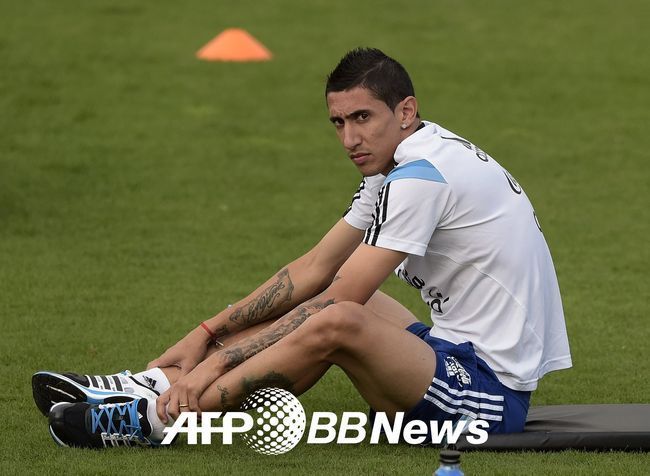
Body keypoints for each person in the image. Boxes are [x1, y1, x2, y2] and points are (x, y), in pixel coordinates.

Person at [33, 47, 572, 448]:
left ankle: (159, 419)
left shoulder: (422, 177)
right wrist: (203, 334)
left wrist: (213, 368)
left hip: (489, 397)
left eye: (363, 118)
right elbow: (314, 268)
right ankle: (148, 384)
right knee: (331, 299)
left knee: (340, 318)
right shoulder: (401, 162)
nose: (349, 139)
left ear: (405, 111)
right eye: (339, 123)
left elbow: (337, 301)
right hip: (447, 352)